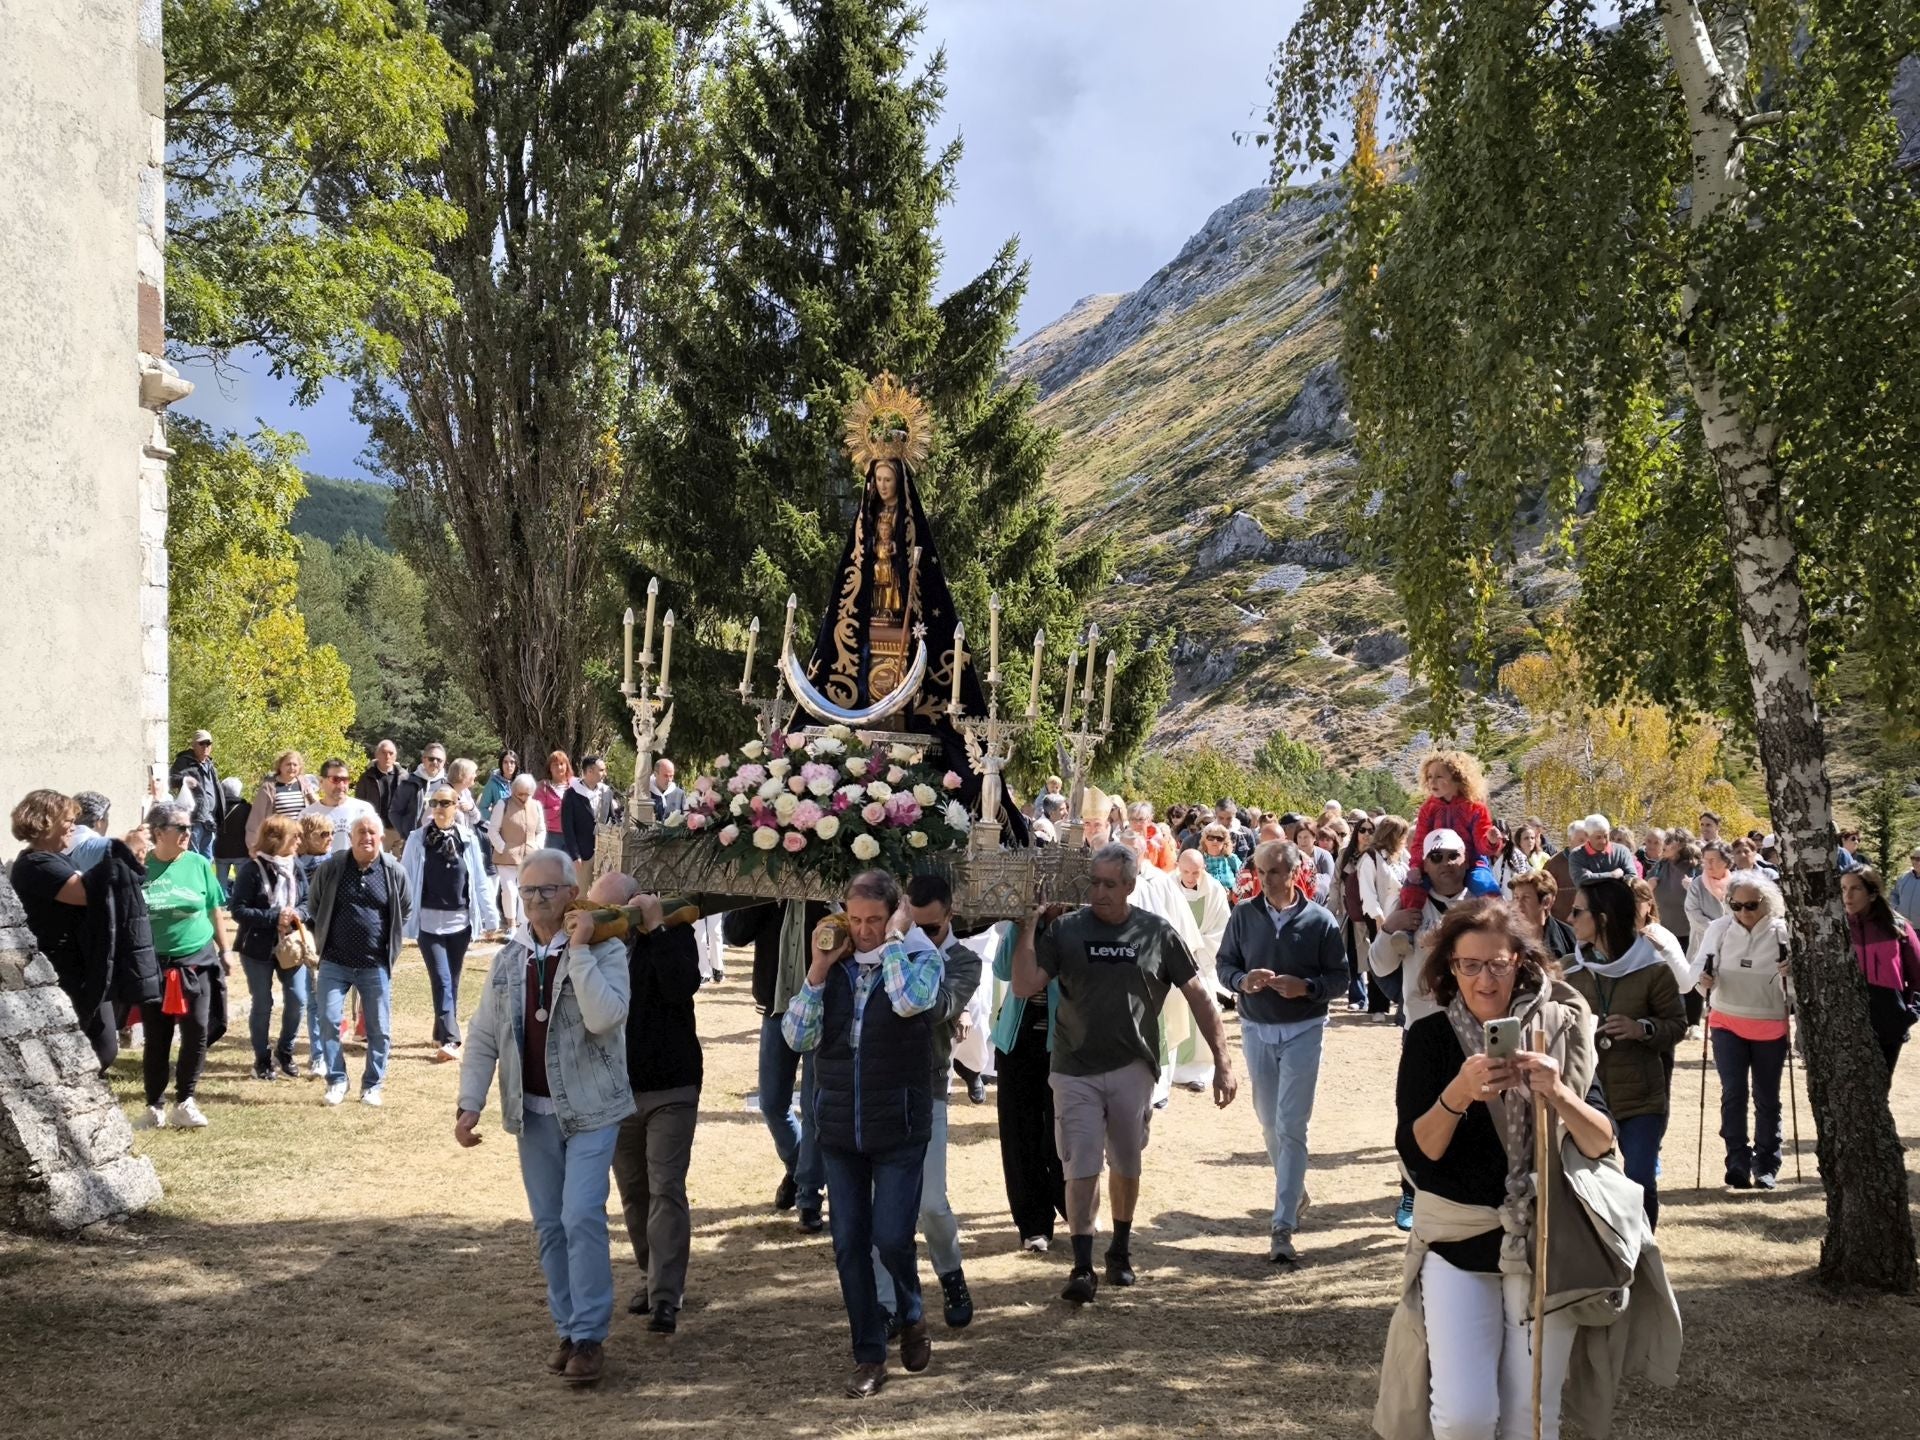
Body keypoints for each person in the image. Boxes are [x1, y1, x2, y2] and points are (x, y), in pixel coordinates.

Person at [1381, 901, 1666, 1440]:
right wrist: (1459, 1093)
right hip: (1457, 1241)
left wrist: (1557, 1092)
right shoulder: (1429, 1037)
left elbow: (1602, 1142)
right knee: (1463, 1416)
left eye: (1497, 964)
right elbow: (1418, 1156)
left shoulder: (1558, 1032)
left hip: (1545, 1241)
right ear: (1450, 969)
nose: (1484, 979)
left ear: (1520, 963)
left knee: (1531, 1416)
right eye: (1469, 965)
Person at [1011, 844, 1238, 1305]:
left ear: (1131, 886)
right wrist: (1028, 928)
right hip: (1073, 1068)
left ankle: (1119, 1248)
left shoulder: (1156, 932)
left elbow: (1198, 995)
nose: (1099, 892)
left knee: (1126, 1162)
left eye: (1110, 884)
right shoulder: (1067, 930)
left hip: (1133, 1067)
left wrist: (1222, 1060)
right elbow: (1024, 985)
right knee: (1080, 1165)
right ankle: (1082, 1266)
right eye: (1094, 883)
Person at [455, 849, 634, 1387]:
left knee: (581, 1215)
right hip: (531, 1112)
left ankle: (590, 1336)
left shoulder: (605, 949)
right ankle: (568, 1329)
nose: (535, 900)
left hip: (592, 1107)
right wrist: (470, 1102)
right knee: (550, 1225)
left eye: (548, 890)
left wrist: (578, 951)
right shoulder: (510, 957)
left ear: (571, 893)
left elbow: (605, 1017)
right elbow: (484, 1034)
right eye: (528, 890)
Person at [782, 870, 945, 1398]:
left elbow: (907, 1002)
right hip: (838, 1128)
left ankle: (912, 1311)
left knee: (891, 1237)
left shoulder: (921, 959)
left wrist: (895, 940)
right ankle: (869, 1355)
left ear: (895, 915)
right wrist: (818, 969)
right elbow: (796, 1036)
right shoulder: (835, 966)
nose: (864, 930)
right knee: (849, 1244)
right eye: (855, 919)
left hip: (898, 1126)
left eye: (875, 919)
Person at [1215, 841, 1348, 1265]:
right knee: (1268, 1121)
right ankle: (1295, 1190)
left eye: (1273, 871)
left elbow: (1341, 978)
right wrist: (1242, 982)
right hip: (1256, 1028)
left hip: (1304, 1029)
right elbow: (1224, 965)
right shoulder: (1243, 915)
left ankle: (1282, 1225)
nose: (1265, 879)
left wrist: (1306, 988)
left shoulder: (1321, 920)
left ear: (1294, 874)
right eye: (1260, 871)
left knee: (1291, 1125)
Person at [591, 872, 700, 1335]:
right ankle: (651, 1273)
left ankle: (666, 1295)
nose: (598, 922)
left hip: (672, 1085)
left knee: (665, 1186)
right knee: (634, 1191)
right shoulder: (593, 948)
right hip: (619, 1089)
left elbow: (681, 985)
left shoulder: (675, 933)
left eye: (607, 913)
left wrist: (655, 931)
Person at [887, 873, 981, 1330]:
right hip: (881, 1087)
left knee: (931, 1204)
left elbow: (936, 1006)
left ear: (951, 915)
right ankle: (888, 1305)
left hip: (929, 1087)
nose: (923, 936)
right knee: (883, 1209)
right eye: (915, 925)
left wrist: (898, 948)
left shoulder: (964, 961)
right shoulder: (889, 944)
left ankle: (950, 1273)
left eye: (933, 928)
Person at [1565, 878, 1686, 1227]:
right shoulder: (1569, 971)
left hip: (1640, 1097)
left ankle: (1643, 1251)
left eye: (1577, 911)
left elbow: (1676, 1025)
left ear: (1602, 918)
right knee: (1589, 1184)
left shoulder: (1653, 969)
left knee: (1640, 1181)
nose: (1570, 919)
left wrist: (1642, 1029)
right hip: (1587, 1097)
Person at [728, 899, 830, 1231]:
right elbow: (734, 934)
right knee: (772, 1103)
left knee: (814, 1109)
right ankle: (799, 1170)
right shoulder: (767, 891)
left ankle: (809, 1196)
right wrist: (760, 896)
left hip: (824, 1011)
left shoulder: (831, 888)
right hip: (777, 1009)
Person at [138, 799, 236, 1129]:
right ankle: (154, 1107)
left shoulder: (198, 864)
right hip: (155, 964)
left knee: (197, 1030)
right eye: (180, 827)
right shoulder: (141, 867)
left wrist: (226, 949)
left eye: (190, 827)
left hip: (197, 960)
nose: (188, 833)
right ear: (158, 832)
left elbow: (213, 909)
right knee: (157, 1036)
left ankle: (185, 1101)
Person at [10, 789, 126, 1068]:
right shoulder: (35, 864)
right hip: (61, 971)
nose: (74, 827)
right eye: (69, 820)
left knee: (104, 1047)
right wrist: (123, 853)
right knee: (90, 1049)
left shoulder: (61, 859)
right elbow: (84, 893)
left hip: (83, 967)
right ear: (45, 823)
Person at [1696, 871, 1793, 1188]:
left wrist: (1791, 975)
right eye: (1736, 906)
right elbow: (1699, 976)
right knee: (1733, 1094)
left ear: (1767, 903)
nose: (1743, 913)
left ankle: (1766, 1165)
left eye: (1751, 905)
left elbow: (1794, 993)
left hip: (1770, 1024)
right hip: (1726, 1021)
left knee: (1767, 1097)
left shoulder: (1783, 933)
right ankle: (1737, 1161)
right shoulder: (1720, 929)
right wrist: (1704, 981)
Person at [309, 814, 413, 1107]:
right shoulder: (332, 867)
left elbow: (405, 909)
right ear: (351, 837)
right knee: (328, 1021)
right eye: (361, 832)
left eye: (371, 832)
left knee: (379, 1029)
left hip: (374, 963)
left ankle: (372, 1086)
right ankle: (337, 1080)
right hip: (334, 961)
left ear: (381, 837)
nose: (366, 837)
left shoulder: (393, 871)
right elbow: (315, 905)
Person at [402, 785, 499, 1063]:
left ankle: (440, 1028)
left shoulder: (467, 838)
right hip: (428, 923)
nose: (439, 808)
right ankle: (451, 1039)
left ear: (456, 806)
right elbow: (405, 878)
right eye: (435, 803)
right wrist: (399, 916)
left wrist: (491, 918)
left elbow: (479, 880)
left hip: (460, 923)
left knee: (452, 980)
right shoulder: (418, 839)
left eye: (445, 803)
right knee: (442, 978)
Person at [990, 914, 1066, 1252]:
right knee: (1020, 1135)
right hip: (1016, 1041)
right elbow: (1002, 971)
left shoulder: (1079, 924)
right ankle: (1033, 1224)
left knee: (1063, 1135)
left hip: (1065, 1044)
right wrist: (1026, 925)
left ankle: (1072, 1205)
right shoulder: (1022, 923)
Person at [226, 814, 311, 1082]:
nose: (299, 841)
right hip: (256, 948)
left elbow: (308, 902)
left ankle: (285, 1051)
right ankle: (262, 1059)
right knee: (263, 1003)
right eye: (294, 836)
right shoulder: (251, 870)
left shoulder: (296, 866)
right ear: (276, 839)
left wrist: (296, 914)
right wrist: (274, 917)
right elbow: (238, 910)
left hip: (291, 946)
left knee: (298, 998)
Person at [1841, 865, 1920, 1085]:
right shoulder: (1835, 929)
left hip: (1888, 1025)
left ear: (1873, 894)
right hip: (1845, 1025)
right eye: (1843, 888)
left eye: (1856, 888)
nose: (1847, 896)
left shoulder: (1897, 927)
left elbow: (1918, 976)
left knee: (1878, 1092)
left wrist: (1909, 1013)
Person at [1398, 751, 1500, 911]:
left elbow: (1482, 846)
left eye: (1439, 776)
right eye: (1429, 777)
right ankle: (1410, 924)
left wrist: (1490, 841)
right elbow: (1419, 843)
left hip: (1472, 863)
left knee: (1487, 888)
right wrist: (1416, 866)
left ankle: (1499, 922)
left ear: (1458, 778)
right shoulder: (1428, 809)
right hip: (1436, 864)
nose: (1432, 781)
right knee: (1410, 890)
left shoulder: (1475, 808)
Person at [489, 772, 546, 934]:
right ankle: (511, 924)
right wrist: (502, 848)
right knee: (509, 890)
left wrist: (537, 847)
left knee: (526, 891)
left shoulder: (536, 805)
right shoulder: (503, 804)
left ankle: (524, 925)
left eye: (527, 794)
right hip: (506, 856)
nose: (524, 797)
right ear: (514, 791)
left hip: (530, 856)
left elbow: (541, 830)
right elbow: (493, 830)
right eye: (520, 794)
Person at [562, 753, 620, 890]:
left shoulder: (606, 792)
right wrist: (575, 856)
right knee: (581, 893)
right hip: (583, 854)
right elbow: (568, 828)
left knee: (603, 893)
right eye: (601, 770)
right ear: (589, 771)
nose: (604, 773)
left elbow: (612, 819)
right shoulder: (572, 794)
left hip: (605, 853)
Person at [1338, 817, 1378, 1009]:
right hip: (1351, 912)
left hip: (1373, 913)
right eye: (1363, 830)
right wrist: (1334, 908)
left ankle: (1377, 1000)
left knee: (1373, 956)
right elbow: (1336, 882)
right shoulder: (1346, 854)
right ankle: (1357, 997)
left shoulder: (1378, 856)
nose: (1366, 834)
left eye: (1371, 831)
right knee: (1353, 956)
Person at [168, 728, 227, 859]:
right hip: (194, 818)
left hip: (210, 818)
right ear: (194, 745)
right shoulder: (184, 762)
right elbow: (170, 780)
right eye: (202, 743)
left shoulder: (210, 765)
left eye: (208, 743)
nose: (205, 747)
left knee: (207, 859)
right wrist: (184, 780)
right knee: (192, 857)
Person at [244, 750, 315, 854]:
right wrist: (253, 846)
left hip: (302, 841)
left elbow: (317, 808)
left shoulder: (305, 785)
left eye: (295, 765)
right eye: (288, 764)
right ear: (280, 766)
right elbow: (256, 818)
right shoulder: (269, 787)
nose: (292, 767)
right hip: (280, 842)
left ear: (300, 767)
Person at [305, 758, 378, 854]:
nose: (341, 785)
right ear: (321, 781)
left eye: (345, 780)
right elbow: (302, 853)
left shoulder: (364, 809)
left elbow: (376, 847)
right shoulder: (308, 814)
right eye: (335, 780)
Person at [1509, 870, 1576, 960]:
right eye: (1516, 897)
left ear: (1546, 902)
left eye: (1526, 898)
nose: (1518, 905)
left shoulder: (1572, 939)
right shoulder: (1505, 939)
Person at [354, 739, 407, 850]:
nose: (387, 757)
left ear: (395, 756)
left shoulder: (404, 777)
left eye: (391, 753)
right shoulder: (366, 778)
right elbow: (359, 804)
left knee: (401, 861)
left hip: (399, 830)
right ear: (377, 755)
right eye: (384, 753)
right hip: (377, 829)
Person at [1569, 816, 1639, 886]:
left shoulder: (1622, 851)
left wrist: (1594, 877)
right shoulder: (1577, 855)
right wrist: (1612, 875)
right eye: (1598, 837)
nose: (1603, 841)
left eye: (1606, 836)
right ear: (1587, 835)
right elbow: (1582, 880)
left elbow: (1633, 877)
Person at [540, 751, 574, 842]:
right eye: (555, 765)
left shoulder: (576, 785)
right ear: (550, 768)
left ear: (567, 766)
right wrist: (558, 809)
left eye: (561, 764)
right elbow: (537, 813)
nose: (559, 767)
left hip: (573, 835)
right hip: (550, 835)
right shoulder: (542, 787)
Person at [1199, 823, 1243, 890]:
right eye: (1211, 838)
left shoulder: (1231, 858)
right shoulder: (1199, 859)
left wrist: (1234, 892)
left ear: (1224, 842)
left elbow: (1242, 878)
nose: (1215, 841)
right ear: (1204, 840)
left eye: (1219, 839)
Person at [478, 749, 519, 820]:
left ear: (516, 764)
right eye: (505, 762)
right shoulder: (493, 783)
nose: (509, 765)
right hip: (500, 825)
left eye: (512, 762)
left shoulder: (521, 782)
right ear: (501, 764)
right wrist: (495, 819)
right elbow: (482, 808)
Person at [1892, 846, 1920, 931]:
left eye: (1919, 859)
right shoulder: (1904, 877)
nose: (1917, 862)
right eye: (1914, 859)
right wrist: (1896, 909)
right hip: (1903, 926)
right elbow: (1894, 895)